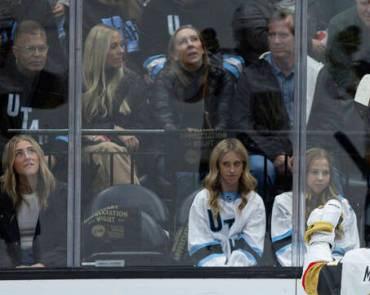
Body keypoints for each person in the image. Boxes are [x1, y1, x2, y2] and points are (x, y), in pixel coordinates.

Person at [150, 24, 235, 197]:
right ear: (173, 54)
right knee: (186, 172)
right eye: (183, 42)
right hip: (176, 148)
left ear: (203, 48)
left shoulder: (221, 77)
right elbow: (163, 117)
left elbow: (226, 118)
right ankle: (184, 220)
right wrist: (184, 135)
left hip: (214, 147)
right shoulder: (164, 79)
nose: (190, 44)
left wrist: (208, 136)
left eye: (194, 39)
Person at [232, 6, 297, 196]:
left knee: (326, 168)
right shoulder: (252, 75)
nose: (276, 41)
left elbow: (324, 120)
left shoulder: (313, 72)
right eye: (272, 35)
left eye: (283, 35)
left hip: (305, 151)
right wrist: (275, 154)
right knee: (260, 168)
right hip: (264, 152)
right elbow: (242, 124)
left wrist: (305, 155)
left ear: (297, 37)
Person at [82, 24, 147, 193]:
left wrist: (124, 137)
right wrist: (112, 130)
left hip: (123, 153)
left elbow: (142, 126)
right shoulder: (77, 81)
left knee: (112, 153)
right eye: (113, 47)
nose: (121, 51)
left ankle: (112, 213)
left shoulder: (132, 81)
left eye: (122, 45)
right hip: (82, 152)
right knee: (108, 151)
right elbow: (71, 125)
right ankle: (137, 209)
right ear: (98, 51)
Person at [270, 147, 359, 266]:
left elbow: (350, 249)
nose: (320, 178)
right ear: (304, 173)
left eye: (325, 173)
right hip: (298, 276)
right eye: (315, 172)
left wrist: (328, 270)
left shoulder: (343, 205)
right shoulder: (283, 202)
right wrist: (314, 270)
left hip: (334, 275)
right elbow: (285, 251)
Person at [186, 138, 265, 266]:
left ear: (244, 166)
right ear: (217, 166)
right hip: (208, 273)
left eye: (237, 164)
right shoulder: (202, 199)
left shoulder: (255, 201)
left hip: (243, 274)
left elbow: (253, 245)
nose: (232, 170)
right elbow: (198, 242)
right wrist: (220, 270)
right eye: (226, 164)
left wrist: (233, 271)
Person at [0, 21, 68, 161]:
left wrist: (53, 157)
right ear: (16, 52)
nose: (37, 54)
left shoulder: (57, 83)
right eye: (30, 49)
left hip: (48, 162)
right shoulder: (3, 84)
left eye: (41, 49)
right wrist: (15, 158)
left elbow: (66, 130)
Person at [0, 135, 65, 268]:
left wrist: (45, 264)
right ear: (11, 163)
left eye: (31, 151)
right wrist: (11, 267)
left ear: (39, 158)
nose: (27, 157)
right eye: (19, 154)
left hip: (50, 270)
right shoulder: (3, 196)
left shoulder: (61, 193)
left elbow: (70, 244)